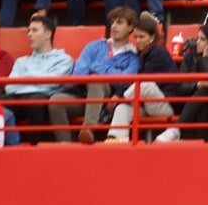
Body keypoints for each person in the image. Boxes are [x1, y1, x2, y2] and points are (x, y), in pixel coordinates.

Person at [48, 9, 141, 142]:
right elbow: (78, 74)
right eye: (112, 22)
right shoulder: (94, 46)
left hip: (109, 101)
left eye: (119, 22)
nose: (114, 26)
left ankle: (88, 129)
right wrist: (112, 72)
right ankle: (66, 144)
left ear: (130, 27)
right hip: (84, 96)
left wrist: (96, 68)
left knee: (95, 79)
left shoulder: (133, 56)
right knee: (55, 101)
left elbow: (125, 80)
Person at [105, 14, 182, 143]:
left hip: (165, 106)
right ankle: (116, 141)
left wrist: (119, 96)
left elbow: (144, 80)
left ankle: (119, 102)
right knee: (122, 109)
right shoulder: (143, 54)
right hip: (147, 105)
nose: (138, 40)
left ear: (152, 37)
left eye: (142, 37)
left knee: (145, 84)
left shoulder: (158, 52)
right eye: (135, 37)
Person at [0, 12, 73, 142]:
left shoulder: (64, 59)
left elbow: (52, 83)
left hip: (42, 99)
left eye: (34, 30)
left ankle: (34, 146)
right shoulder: (21, 61)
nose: (29, 35)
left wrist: (26, 78)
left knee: (35, 102)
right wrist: (36, 81)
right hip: (18, 97)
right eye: (28, 31)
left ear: (47, 34)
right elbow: (10, 87)